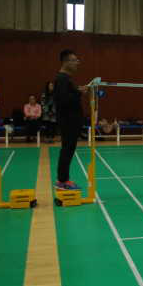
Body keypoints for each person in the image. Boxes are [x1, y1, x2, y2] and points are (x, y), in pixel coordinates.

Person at [54, 50, 88, 191]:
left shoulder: (66, 79)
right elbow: (63, 101)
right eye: (74, 60)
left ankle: (63, 179)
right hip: (68, 121)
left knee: (68, 149)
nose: (77, 63)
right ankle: (62, 181)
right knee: (67, 150)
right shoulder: (62, 79)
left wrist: (77, 90)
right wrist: (79, 92)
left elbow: (68, 96)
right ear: (66, 62)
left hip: (71, 120)